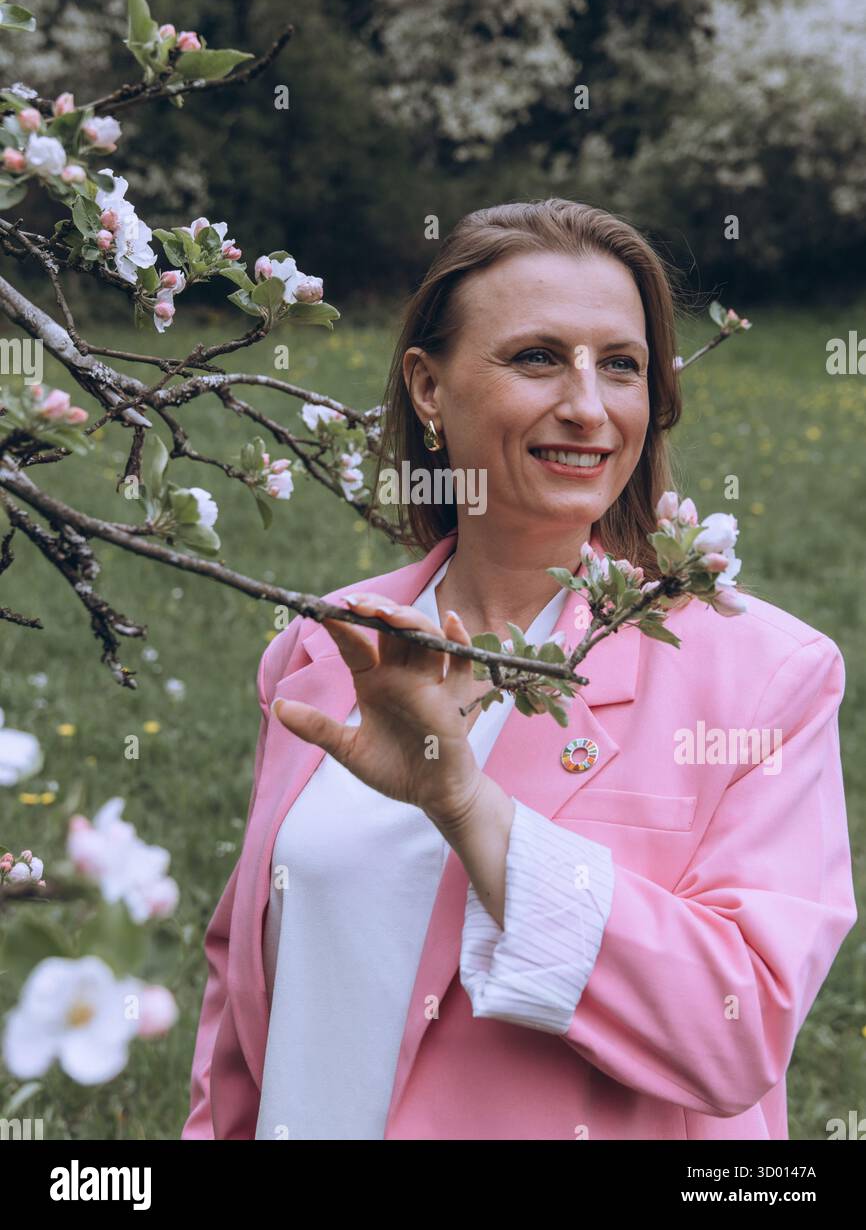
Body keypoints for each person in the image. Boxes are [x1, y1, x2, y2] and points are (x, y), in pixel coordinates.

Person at [182, 199, 857, 1141]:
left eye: (620, 365)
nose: (588, 405)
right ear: (428, 386)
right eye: (538, 357)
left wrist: (474, 810)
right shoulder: (327, 649)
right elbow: (242, 995)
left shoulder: (762, 679)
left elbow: (738, 1037)